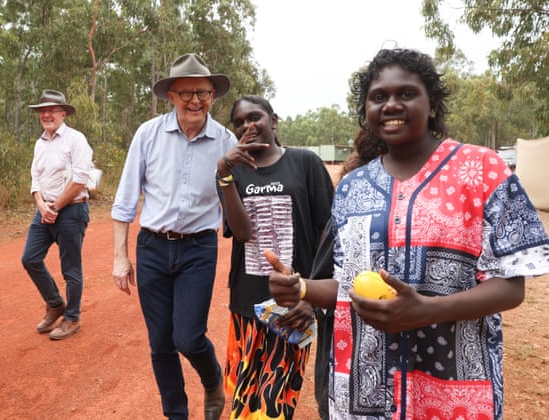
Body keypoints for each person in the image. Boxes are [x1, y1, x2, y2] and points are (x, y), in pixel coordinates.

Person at [267, 48, 549, 419]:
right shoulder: (352, 187)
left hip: (453, 392)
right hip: (364, 393)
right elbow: (349, 286)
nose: (391, 105)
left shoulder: (483, 170)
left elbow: (511, 287)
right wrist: (301, 288)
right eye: (378, 97)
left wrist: (427, 311)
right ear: (366, 112)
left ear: (432, 105)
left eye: (406, 94)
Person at [111, 53, 237, 420]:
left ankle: (213, 380)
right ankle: (176, 413)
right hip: (151, 246)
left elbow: (240, 196)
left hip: (199, 248)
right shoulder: (148, 134)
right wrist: (121, 257)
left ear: (213, 94)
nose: (195, 101)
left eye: (203, 92)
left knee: (188, 337)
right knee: (161, 343)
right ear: (171, 96)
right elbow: (125, 199)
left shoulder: (225, 141)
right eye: (186, 93)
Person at [218, 95, 333, 419]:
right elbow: (241, 233)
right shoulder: (231, 173)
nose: (246, 125)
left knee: (274, 403)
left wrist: (311, 295)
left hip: (294, 305)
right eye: (238, 122)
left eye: (254, 117)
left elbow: (328, 231)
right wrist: (225, 174)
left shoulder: (304, 163)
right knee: (243, 398)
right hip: (246, 302)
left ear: (273, 120)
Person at [21, 89, 94, 341]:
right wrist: (41, 204)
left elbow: (80, 179)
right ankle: (55, 304)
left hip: (72, 210)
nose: (47, 114)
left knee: (70, 268)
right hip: (44, 211)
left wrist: (55, 207)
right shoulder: (39, 143)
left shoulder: (76, 140)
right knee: (30, 259)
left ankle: (72, 317)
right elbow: (35, 179)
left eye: (52, 110)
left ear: (63, 113)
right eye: (43, 110)